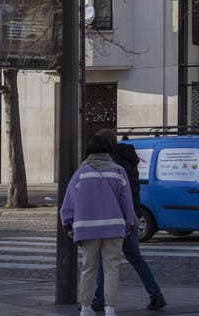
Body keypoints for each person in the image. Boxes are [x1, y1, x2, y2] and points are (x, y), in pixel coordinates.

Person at [60, 133, 136, 316]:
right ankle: (110, 308)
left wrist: (68, 224)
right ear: (109, 150)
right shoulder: (118, 171)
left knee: (88, 268)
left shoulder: (81, 173)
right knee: (112, 269)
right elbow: (127, 202)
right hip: (114, 228)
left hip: (87, 228)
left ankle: (86, 308)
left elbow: (69, 202)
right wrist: (129, 224)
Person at [92, 129, 167, 312]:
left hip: (116, 217)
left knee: (104, 258)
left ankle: (100, 299)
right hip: (131, 215)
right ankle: (155, 294)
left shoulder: (112, 163)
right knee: (135, 258)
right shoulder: (128, 159)